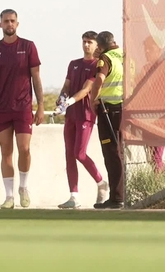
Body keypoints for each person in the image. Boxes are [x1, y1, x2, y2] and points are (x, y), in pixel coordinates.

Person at [0, 9, 44, 209]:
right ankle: (9, 196)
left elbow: (36, 77)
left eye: (12, 21)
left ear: (17, 23)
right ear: (0, 24)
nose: (9, 24)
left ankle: (23, 187)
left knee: (24, 149)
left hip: (23, 106)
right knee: (6, 151)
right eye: (6, 21)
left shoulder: (28, 46)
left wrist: (41, 105)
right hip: (1, 107)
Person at [55, 31, 109, 209]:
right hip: (70, 115)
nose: (86, 45)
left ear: (96, 45)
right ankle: (74, 196)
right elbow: (67, 86)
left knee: (80, 153)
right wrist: (62, 98)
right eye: (84, 41)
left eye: (90, 42)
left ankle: (101, 183)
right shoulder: (74, 64)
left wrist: (69, 102)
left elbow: (87, 89)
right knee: (69, 155)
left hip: (86, 114)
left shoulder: (98, 64)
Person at [90, 31, 125, 209]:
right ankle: (121, 195)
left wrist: (92, 99)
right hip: (124, 108)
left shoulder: (105, 58)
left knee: (111, 154)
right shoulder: (123, 55)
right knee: (120, 152)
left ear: (100, 45)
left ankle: (117, 198)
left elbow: (99, 80)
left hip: (108, 110)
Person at [138, 36, 165, 174]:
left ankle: (158, 185)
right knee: (151, 159)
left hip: (162, 118)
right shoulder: (145, 68)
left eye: (150, 49)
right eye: (145, 49)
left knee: (156, 159)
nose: (147, 52)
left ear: (159, 50)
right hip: (148, 117)